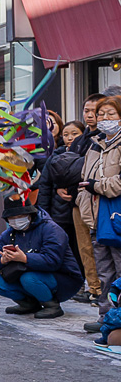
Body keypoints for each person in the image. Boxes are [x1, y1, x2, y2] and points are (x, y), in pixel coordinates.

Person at [0, 196, 83, 318]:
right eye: (12, 218)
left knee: (29, 278)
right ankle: (28, 304)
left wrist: (25, 258)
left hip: (62, 279)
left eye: (20, 217)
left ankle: (51, 305)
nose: (16, 221)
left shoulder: (50, 229)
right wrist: (2, 260)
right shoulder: (8, 234)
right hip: (29, 276)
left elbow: (52, 261)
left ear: (30, 214)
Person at [77, 95, 121, 333]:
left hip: (117, 218)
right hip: (96, 218)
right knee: (104, 272)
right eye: (101, 114)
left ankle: (120, 320)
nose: (105, 118)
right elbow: (85, 179)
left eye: (111, 114)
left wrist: (98, 186)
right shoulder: (95, 144)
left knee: (120, 270)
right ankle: (106, 317)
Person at [37, 118, 83, 272]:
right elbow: (44, 186)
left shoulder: (88, 154)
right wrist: (44, 213)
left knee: (82, 249)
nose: (70, 138)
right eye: (66, 134)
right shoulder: (55, 156)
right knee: (63, 248)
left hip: (80, 210)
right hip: (58, 213)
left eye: (74, 134)